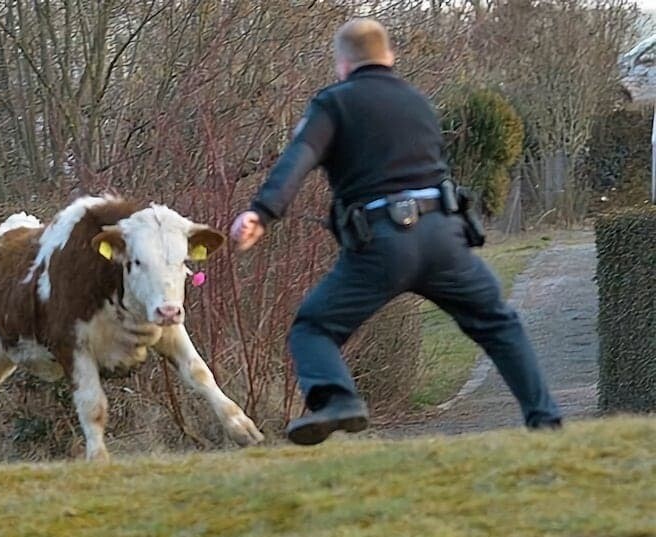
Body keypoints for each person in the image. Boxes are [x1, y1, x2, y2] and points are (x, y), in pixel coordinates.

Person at [229, 17, 563, 446]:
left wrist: (262, 212)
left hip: (383, 241)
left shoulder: (334, 104)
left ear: (342, 64)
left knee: (313, 328)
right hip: (445, 237)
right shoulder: (418, 102)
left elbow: (300, 156)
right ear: (390, 57)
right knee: (500, 324)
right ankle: (545, 419)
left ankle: (338, 400)